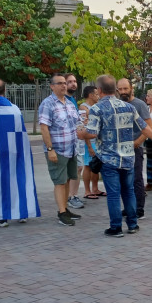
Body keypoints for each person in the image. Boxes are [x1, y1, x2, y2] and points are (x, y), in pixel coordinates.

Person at [78, 75, 152, 236]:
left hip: (109, 159)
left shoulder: (97, 109)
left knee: (113, 195)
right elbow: (144, 127)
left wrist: (80, 133)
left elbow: (91, 133)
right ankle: (133, 224)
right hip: (128, 157)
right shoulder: (128, 107)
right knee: (129, 191)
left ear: (99, 90)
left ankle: (116, 227)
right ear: (115, 89)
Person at [0, 79, 40, 227]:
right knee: (18, 180)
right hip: (14, 150)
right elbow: (21, 132)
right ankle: (21, 212)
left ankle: (1, 216)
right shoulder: (15, 109)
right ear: (5, 90)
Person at [39, 74, 83, 226]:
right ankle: (62, 213)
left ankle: (65, 208)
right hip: (58, 150)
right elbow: (44, 127)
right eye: (60, 83)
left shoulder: (69, 103)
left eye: (65, 83)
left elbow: (77, 123)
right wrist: (50, 149)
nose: (64, 86)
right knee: (60, 181)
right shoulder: (48, 104)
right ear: (52, 86)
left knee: (68, 179)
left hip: (71, 149)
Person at [117, 78, 151, 218]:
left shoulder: (139, 104)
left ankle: (139, 209)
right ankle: (128, 207)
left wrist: (138, 142)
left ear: (131, 88)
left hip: (135, 148)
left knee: (136, 179)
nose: (123, 91)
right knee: (123, 180)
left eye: (126, 88)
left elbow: (149, 127)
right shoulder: (118, 104)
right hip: (120, 149)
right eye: (120, 89)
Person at [64, 74, 86, 210]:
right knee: (72, 169)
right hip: (66, 141)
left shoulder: (72, 99)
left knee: (78, 167)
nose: (73, 84)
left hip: (76, 140)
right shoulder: (62, 100)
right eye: (70, 82)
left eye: (75, 81)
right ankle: (70, 197)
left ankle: (73, 195)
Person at [79, 86, 102, 199]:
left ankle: (95, 188)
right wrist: (89, 146)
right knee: (88, 165)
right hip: (89, 141)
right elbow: (84, 128)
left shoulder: (96, 106)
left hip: (97, 140)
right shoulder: (83, 108)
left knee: (96, 166)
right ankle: (87, 191)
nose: (98, 96)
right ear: (90, 95)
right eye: (96, 94)